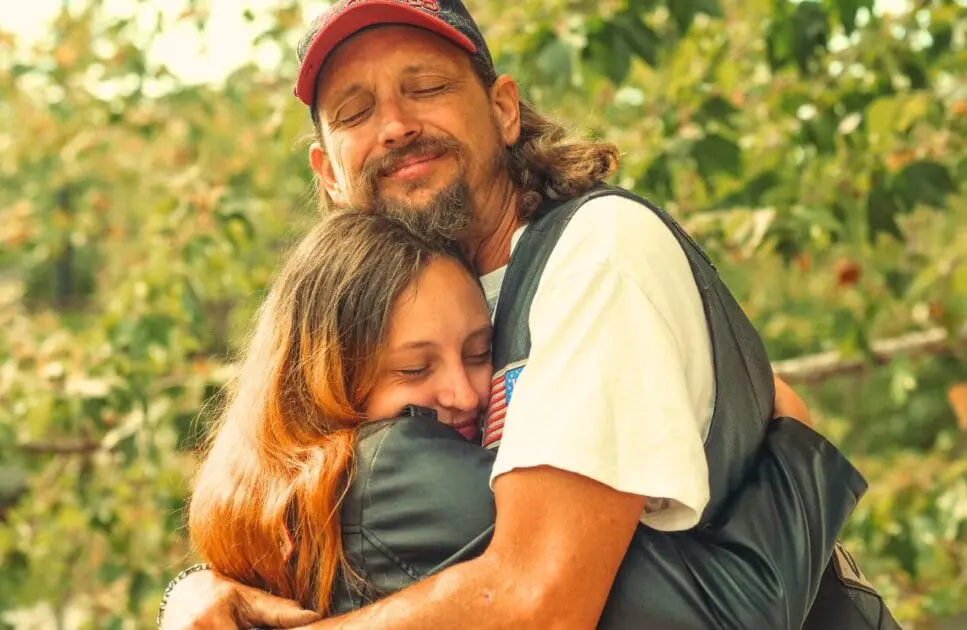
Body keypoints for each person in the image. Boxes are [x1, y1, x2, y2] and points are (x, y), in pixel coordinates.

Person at [160, 1, 899, 628]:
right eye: (355, 112)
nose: (393, 126)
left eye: (424, 88)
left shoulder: (593, 256)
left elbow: (538, 600)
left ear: (503, 109)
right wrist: (195, 588)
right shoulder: (390, 313)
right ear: (326, 171)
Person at [179, 209, 857, 630]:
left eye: (480, 352)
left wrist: (185, 594)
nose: (463, 392)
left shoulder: (284, 492)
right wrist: (797, 441)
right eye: (413, 370)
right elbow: (728, 615)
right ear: (324, 378)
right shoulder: (387, 468)